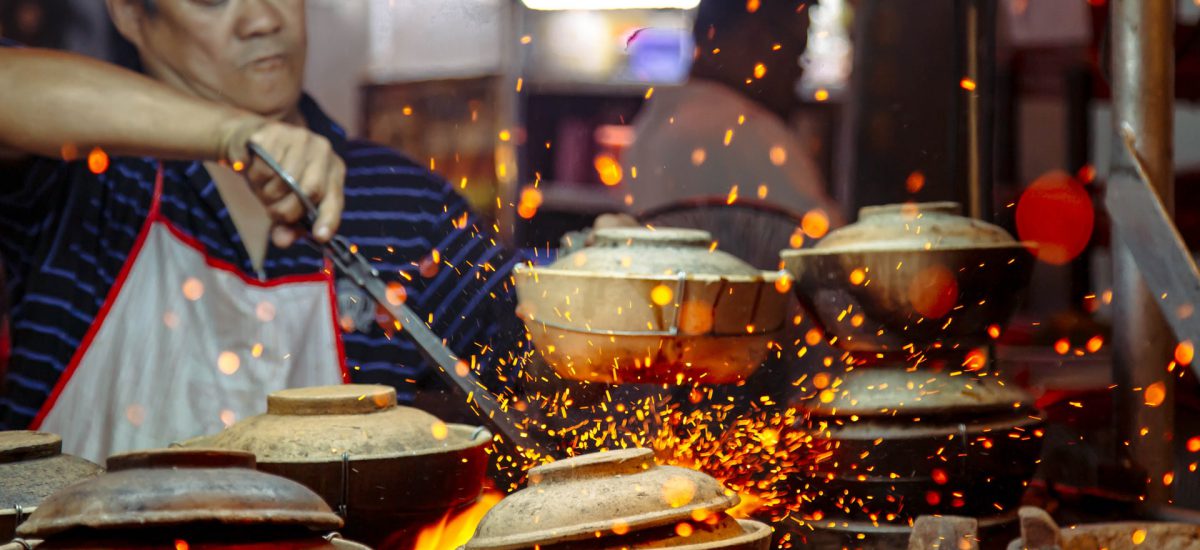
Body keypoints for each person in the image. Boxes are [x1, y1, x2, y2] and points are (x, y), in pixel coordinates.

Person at [0, 0, 523, 462]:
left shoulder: (404, 203)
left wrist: (592, 283)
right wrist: (236, 134)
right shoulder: (83, 176)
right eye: (212, 1)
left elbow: (534, 365)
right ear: (131, 14)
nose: (264, 19)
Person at [623, 0, 842, 222]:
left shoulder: (654, 123)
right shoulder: (752, 133)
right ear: (754, 39)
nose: (798, 70)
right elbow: (828, 244)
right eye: (796, 50)